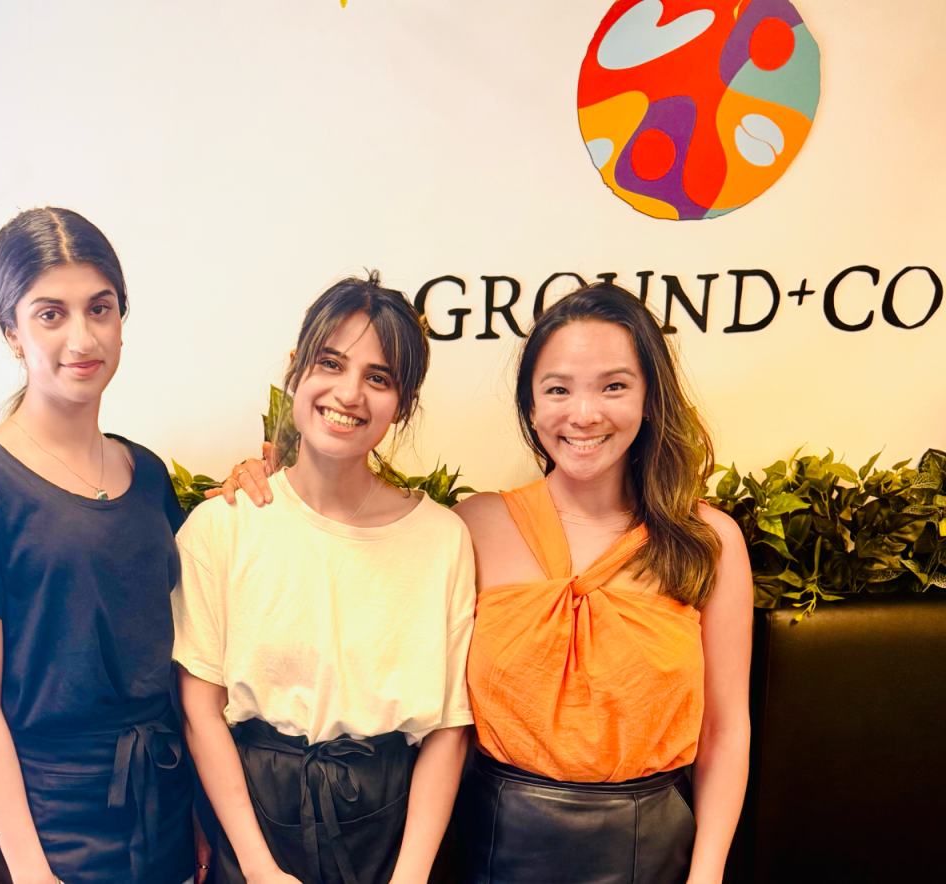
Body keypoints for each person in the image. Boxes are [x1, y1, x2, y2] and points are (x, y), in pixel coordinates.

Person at [0, 207, 265, 884]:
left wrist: (196, 814)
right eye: (51, 313)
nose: (82, 337)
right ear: (11, 331)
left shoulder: (149, 476)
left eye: (100, 309)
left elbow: (174, 666)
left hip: (161, 807)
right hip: (48, 823)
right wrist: (30, 872)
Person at [172, 272, 476, 884]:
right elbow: (199, 708)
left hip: (393, 827)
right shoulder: (221, 526)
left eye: (379, 377)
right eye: (330, 363)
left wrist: (410, 877)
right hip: (253, 819)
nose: (349, 393)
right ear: (296, 370)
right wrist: (258, 870)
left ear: (404, 403)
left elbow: (449, 727)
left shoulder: (443, 538)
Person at [451, 283, 752, 884]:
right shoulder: (472, 526)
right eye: (557, 389)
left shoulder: (708, 539)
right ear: (531, 407)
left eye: (613, 386)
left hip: (652, 850)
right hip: (491, 846)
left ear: (649, 397)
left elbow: (724, 728)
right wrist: (272, 473)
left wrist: (708, 873)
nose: (583, 414)